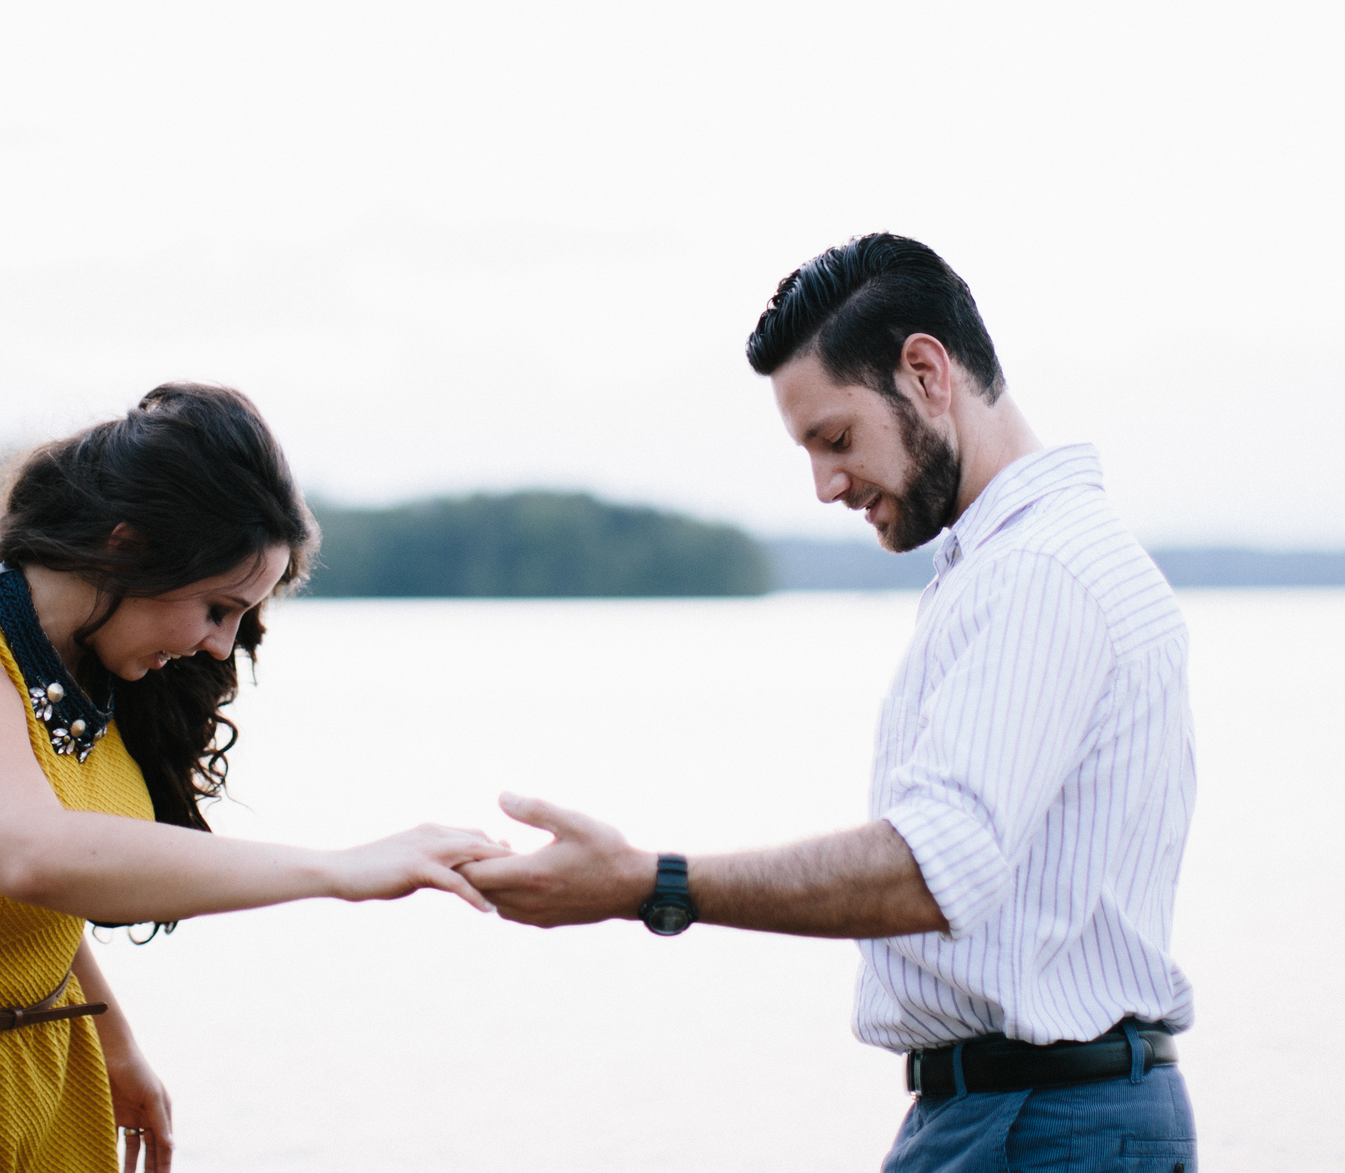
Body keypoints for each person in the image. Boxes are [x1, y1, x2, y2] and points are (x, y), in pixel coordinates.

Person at [462, 234, 1199, 1173]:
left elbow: (933, 868)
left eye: (836, 439)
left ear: (926, 373)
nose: (825, 486)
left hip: (1040, 1124)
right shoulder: (1025, 561)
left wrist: (651, 885)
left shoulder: (1040, 572)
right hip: (1029, 1112)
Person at [0, 383, 506, 1173]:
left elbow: (14, 908)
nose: (222, 647)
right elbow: (35, 856)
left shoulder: (80, 663)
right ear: (125, 547)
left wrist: (114, 1041)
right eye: (216, 608)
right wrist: (338, 871)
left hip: (39, 1077)